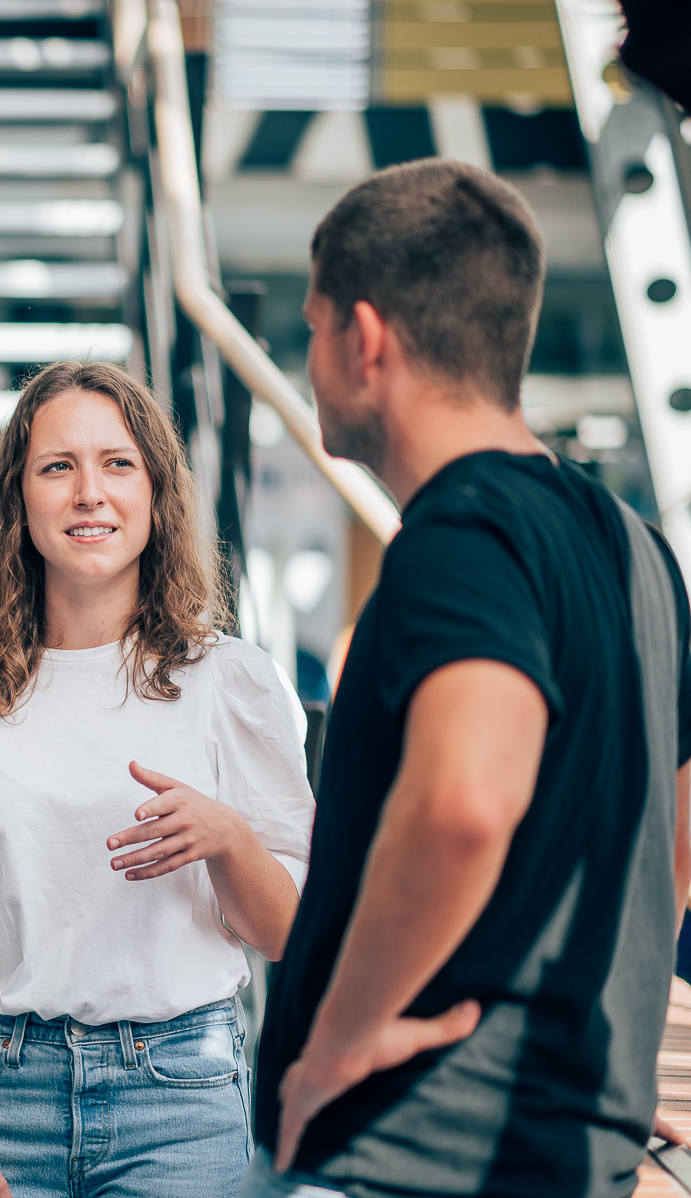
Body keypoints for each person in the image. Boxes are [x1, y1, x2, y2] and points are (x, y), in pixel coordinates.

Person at [246, 159, 691, 1198]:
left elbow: (463, 801)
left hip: (413, 1150)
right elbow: (675, 828)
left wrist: (338, 1046)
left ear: (366, 339)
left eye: (311, 330)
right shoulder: (638, 552)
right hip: (566, 1147)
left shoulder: (458, 536)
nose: (308, 360)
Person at [0, 360, 317, 1198]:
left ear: (155, 494)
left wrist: (228, 839)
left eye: (117, 463)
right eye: (57, 467)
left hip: (180, 1097)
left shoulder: (232, 685)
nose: (88, 493)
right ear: (18, 499)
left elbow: (289, 935)